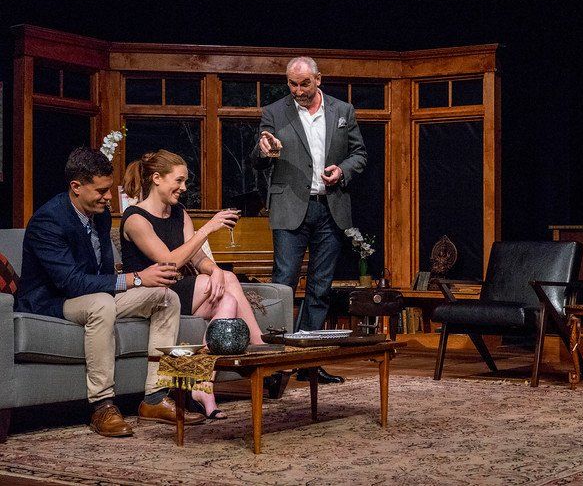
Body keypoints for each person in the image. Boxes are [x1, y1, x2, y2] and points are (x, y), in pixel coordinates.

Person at [15, 147, 205, 437]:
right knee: (102, 303)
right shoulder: (48, 221)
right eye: (101, 190)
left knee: (166, 297)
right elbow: (72, 283)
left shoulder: (99, 215)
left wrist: (136, 281)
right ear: (76, 187)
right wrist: (136, 279)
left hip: (95, 293)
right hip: (53, 301)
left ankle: (155, 397)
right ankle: (102, 405)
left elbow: (102, 272)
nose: (108, 197)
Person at [121, 149, 269, 418]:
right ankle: (259, 346)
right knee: (225, 282)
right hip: (152, 293)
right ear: (157, 178)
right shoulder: (135, 219)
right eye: (178, 181)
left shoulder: (179, 213)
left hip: (179, 293)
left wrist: (214, 270)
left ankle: (202, 385)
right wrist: (207, 229)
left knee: (228, 298)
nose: (184, 187)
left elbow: (198, 257)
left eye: (185, 181)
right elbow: (169, 262)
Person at [251, 56, 367, 384]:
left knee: (320, 287)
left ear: (318, 78)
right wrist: (265, 149)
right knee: (283, 284)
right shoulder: (275, 112)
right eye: (292, 83)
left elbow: (360, 154)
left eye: (304, 83)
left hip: (330, 208)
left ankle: (308, 362)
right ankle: (274, 363)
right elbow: (258, 159)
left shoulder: (343, 111)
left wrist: (342, 170)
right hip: (291, 208)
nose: (298, 90)